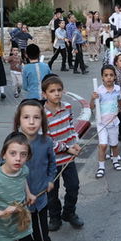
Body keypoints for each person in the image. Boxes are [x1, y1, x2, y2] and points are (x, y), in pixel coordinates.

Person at [13, 101, 59, 241]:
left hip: (39, 202)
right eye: (26, 117)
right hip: (20, 204)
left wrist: (50, 180)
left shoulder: (46, 142)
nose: (31, 122)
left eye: (36, 118)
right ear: (18, 121)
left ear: (42, 121)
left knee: (41, 237)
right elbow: (2, 166)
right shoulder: (13, 143)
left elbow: (52, 164)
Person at [42, 76, 85, 231]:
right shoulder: (42, 115)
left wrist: (75, 143)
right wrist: (67, 147)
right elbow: (47, 141)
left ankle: (69, 212)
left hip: (68, 158)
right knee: (52, 192)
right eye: (52, 91)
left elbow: (71, 128)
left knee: (73, 186)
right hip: (52, 161)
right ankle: (54, 216)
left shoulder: (67, 107)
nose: (57, 94)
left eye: (59, 90)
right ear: (44, 94)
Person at [92, 65, 121, 179]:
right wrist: (93, 98)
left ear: (115, 77)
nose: (109, 78)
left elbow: (119, 100)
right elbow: (91, 107)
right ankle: (101, 166)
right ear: (102, 77)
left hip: (114, 122)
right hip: (102, 124)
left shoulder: (117, 89)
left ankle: (115, 160)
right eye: (106, 75)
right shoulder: (99, 91)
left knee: (114, 144)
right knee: (103, 145)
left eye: (111, 75)